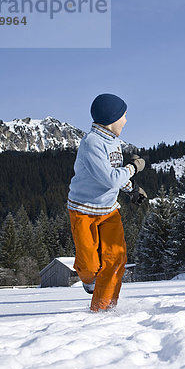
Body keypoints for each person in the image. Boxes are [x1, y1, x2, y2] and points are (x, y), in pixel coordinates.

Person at [67, 93, 148, 311]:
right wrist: (133, 168)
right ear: (111, 118)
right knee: (90, 265)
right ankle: (87, 278)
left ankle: (104, 310)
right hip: (83, 210)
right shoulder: (91, 143)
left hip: (109, 210)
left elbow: (113, 175)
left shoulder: (114, 141)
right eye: (123, 115)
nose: (126, 120)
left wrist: (131, 190)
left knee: (116, 258)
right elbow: (110, 178)